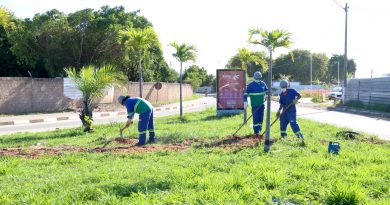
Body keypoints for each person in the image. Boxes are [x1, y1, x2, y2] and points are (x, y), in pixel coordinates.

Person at [276, 80, 305, 144]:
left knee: (293, 123)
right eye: (282, 87)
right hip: (284, 111)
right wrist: (279, 110)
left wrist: (296, 100)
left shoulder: (292, 91)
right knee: (282, 123)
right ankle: (283, 136)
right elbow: (281, 104)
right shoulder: (281, 94)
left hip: (291, 110)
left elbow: (300, 95)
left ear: (287, 86)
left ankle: (300, 137)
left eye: (284, 87)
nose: (283, 89)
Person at [243, 71, 268, 139]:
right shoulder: (251, 85)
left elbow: (267, 90)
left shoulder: (263, 83)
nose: (258, 79)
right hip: (254, 105)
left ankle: (259, 130)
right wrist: (245, 101)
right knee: (255, 118)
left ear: (260, 77)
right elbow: (245, 93)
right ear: (254, 78)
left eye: (259, 78)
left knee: (261, 118)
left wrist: (267, 95)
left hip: (261, 105)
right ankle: (256, 132)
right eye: (257, 78)